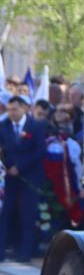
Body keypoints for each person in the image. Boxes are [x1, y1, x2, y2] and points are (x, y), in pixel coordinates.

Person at [0, 95, 49, 263]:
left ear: (24, 108)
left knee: (27, 216)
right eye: (9, 109)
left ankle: (25, 253)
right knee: (5, 214)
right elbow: (2, 150)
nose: (11, 113)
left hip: (30, 177)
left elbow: (40, 151)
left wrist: (19, 167)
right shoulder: (4, 126)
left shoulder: (35, 126)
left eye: (15, 109)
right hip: (11, 178)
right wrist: (8, 165)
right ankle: (1, 252)